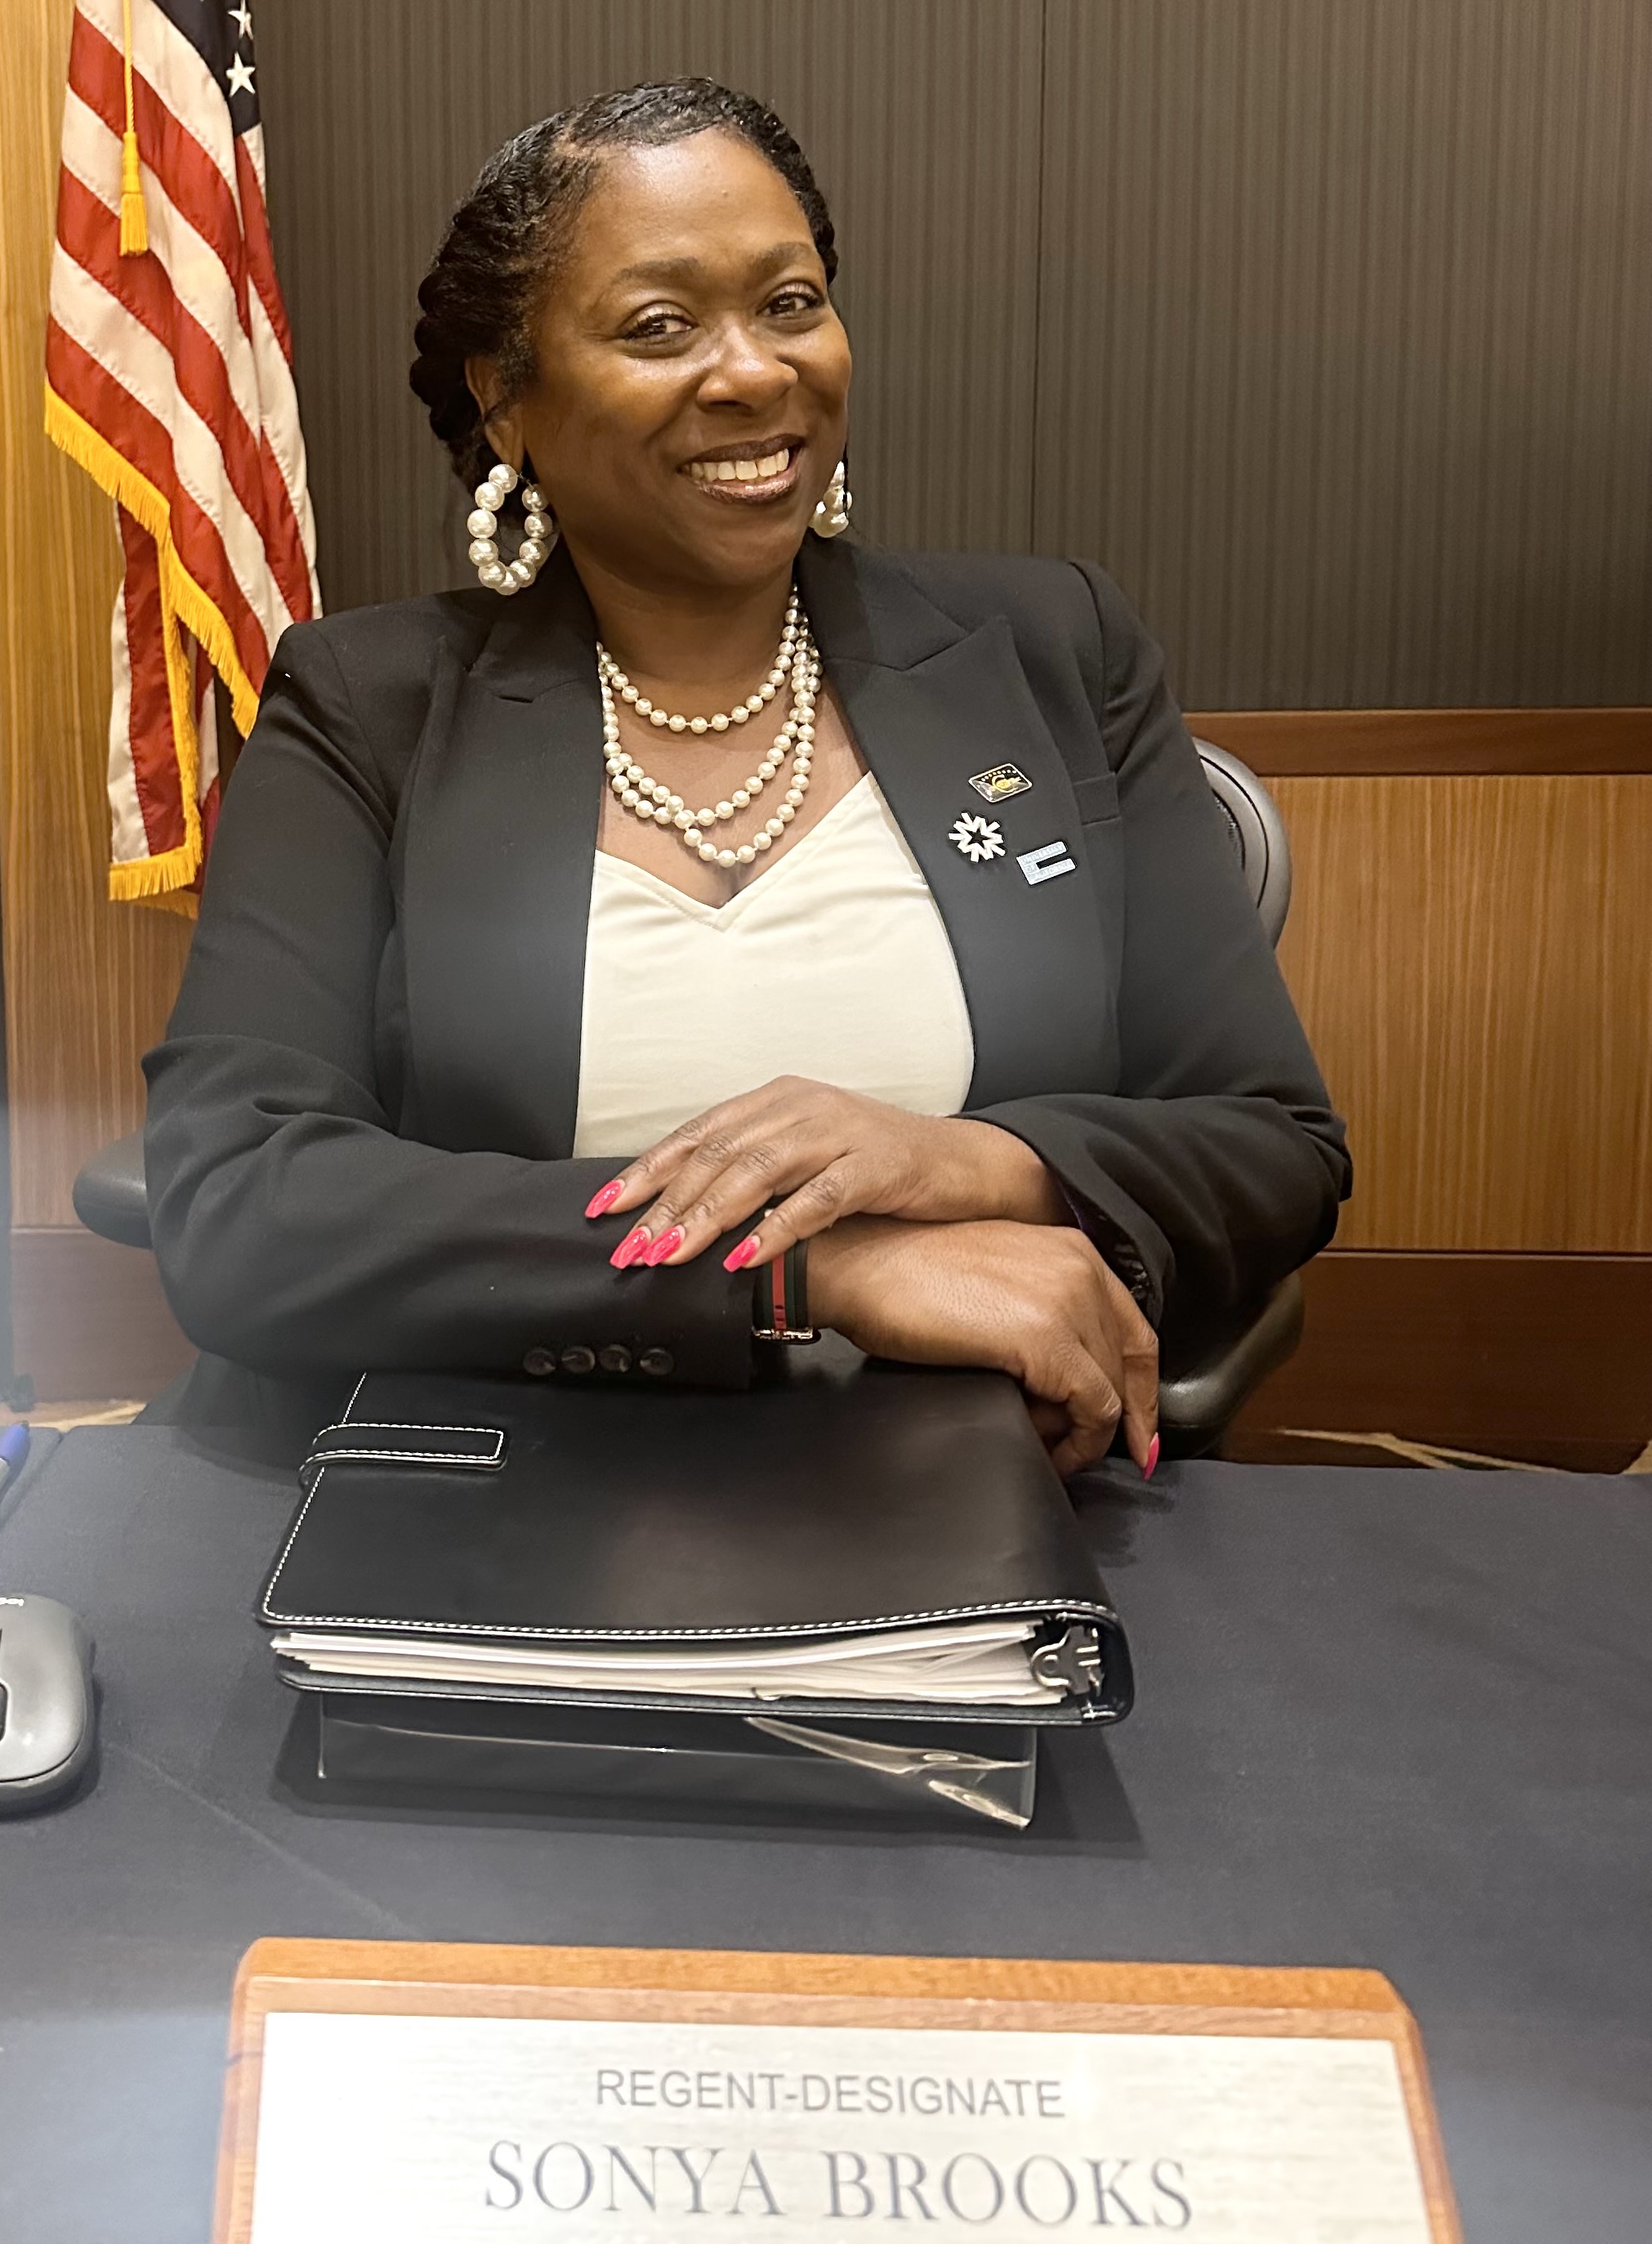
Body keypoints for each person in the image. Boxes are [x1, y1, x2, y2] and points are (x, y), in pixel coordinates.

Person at [143, 79, 1348, 1468]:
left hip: (967, 1476)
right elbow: (238, 1200)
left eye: (790, 303)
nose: (756, 371)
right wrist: (796, 1272)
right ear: (506, 398)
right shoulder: (368, 710)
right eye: (661, 325)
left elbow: (1272, 1143)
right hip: (494, 1486)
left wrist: (974, 1164)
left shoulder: (1050, 653)